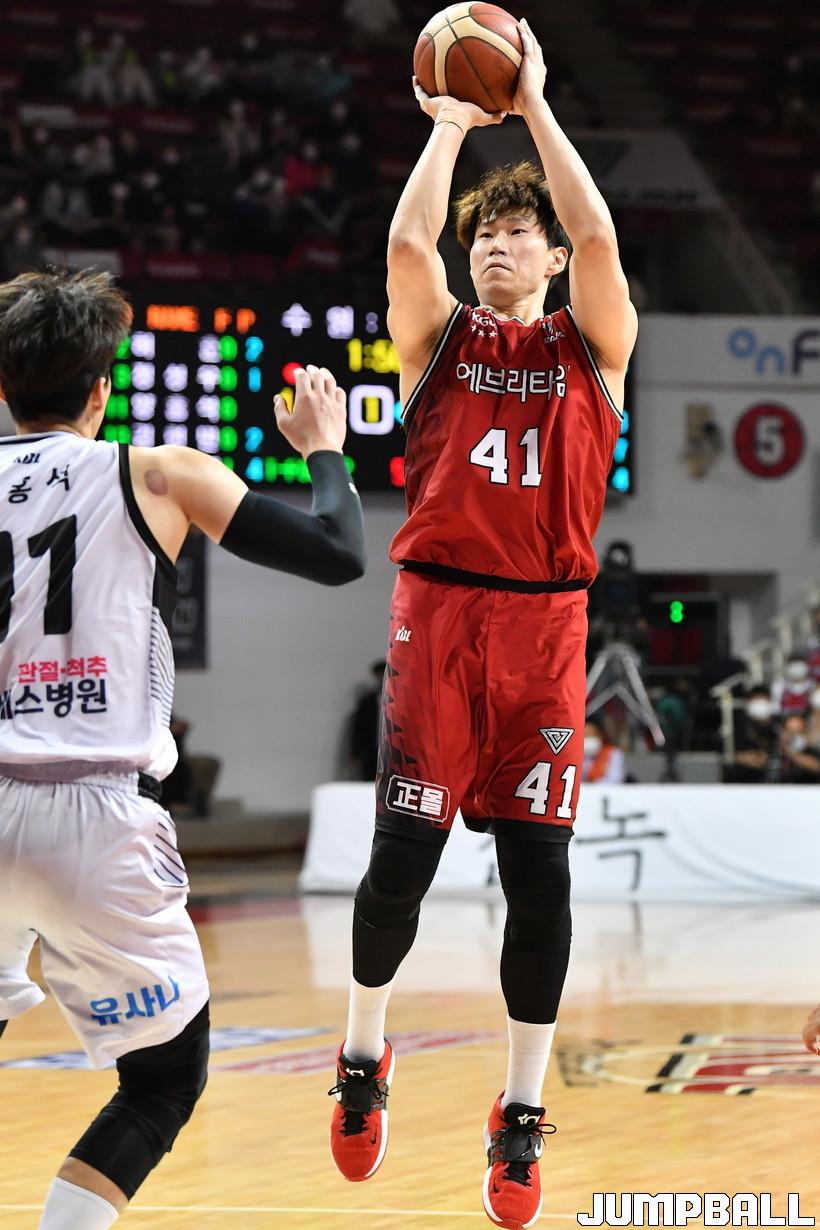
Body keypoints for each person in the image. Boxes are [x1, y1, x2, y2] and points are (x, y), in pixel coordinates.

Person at [327, 21, 637, 1230]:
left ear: (550, 258)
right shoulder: (439, 339)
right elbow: (408, 244)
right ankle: (364, 1056)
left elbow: (601, 236)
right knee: (399, 866)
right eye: (486, 235)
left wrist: (535, 105)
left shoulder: (594, 347)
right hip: (440, 617)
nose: (497, 244)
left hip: (544, 634)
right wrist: (453, 125)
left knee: (538, 882)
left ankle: (518, 1113)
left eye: (517, 233)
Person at [0, 268, 365, 1230]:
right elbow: (339, 552)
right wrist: (325, 450)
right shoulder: (157, 473)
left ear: (3, 386)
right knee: (162, 1080)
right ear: (102, 390)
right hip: (96, 810)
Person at [723, 685, 777, 783]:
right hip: (743, 774)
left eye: (763, 699)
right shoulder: (740, 723)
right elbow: (734, 754)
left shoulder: (776, 725)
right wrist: (748, 758)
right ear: (749, 701)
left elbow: (774, 750)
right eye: (757, 699)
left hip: (770, 773)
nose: (760, 703)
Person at [581, 717, 625, 784]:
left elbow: (616, 779)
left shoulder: (613, 753)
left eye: (591, 735)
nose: (588, 738)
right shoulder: (575, 755)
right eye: (585, 735)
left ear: (600, 735)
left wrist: (593, 783)